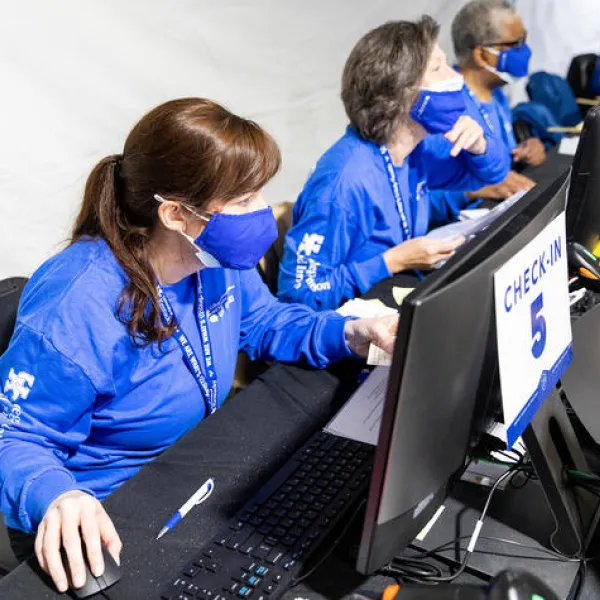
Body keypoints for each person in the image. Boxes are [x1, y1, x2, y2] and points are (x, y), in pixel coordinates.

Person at [0, 98, 398, 593]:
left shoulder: (211, 262)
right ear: (174, 214)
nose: (263, 215)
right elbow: (17, 437)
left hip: (180, 475)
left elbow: (266, 322)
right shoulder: (77, 302)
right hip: (99, 514)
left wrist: (352, 334)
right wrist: (56, 497)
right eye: (243, 200)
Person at [277, 16, 510, 312]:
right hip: (352, 331)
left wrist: (481, 146)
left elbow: (491, 174)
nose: (456, 77)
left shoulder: (416, 148)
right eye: (438, 69)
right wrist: (392, 261)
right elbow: (299, 294)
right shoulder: (345, 182)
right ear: (404, 95)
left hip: (396, 299)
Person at [430, 0, 543, 223]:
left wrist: (527, 149)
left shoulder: (497, 93)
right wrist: (472, 190)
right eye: (516, 44)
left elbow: (503, 161)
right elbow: (420, 198)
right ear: (482, 55)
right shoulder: (442, 107)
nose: (526, 51)